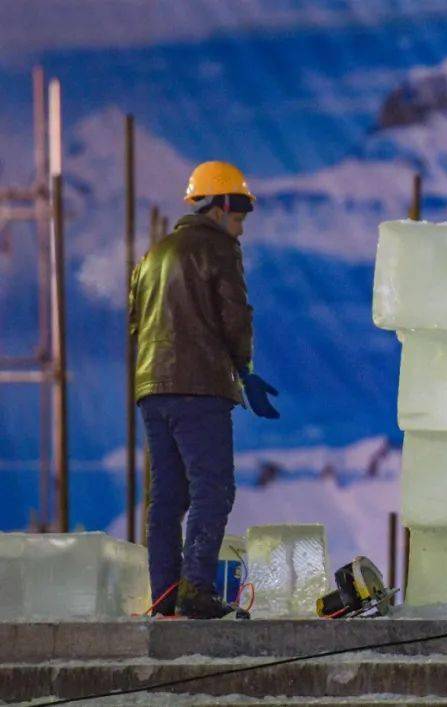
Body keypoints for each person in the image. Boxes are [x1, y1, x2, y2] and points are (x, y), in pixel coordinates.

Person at [129, 161, 280, 619]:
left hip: (153, 389)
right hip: (199, 386)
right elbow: (235, 316)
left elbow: (136, 322)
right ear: (218, 208)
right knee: (213, 489)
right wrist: (244, 370)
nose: (241, 228)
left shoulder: (153, 256)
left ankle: (164, 595)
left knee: (167, 497)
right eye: (238, 217)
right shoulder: (217, 249)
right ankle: (195, 588)